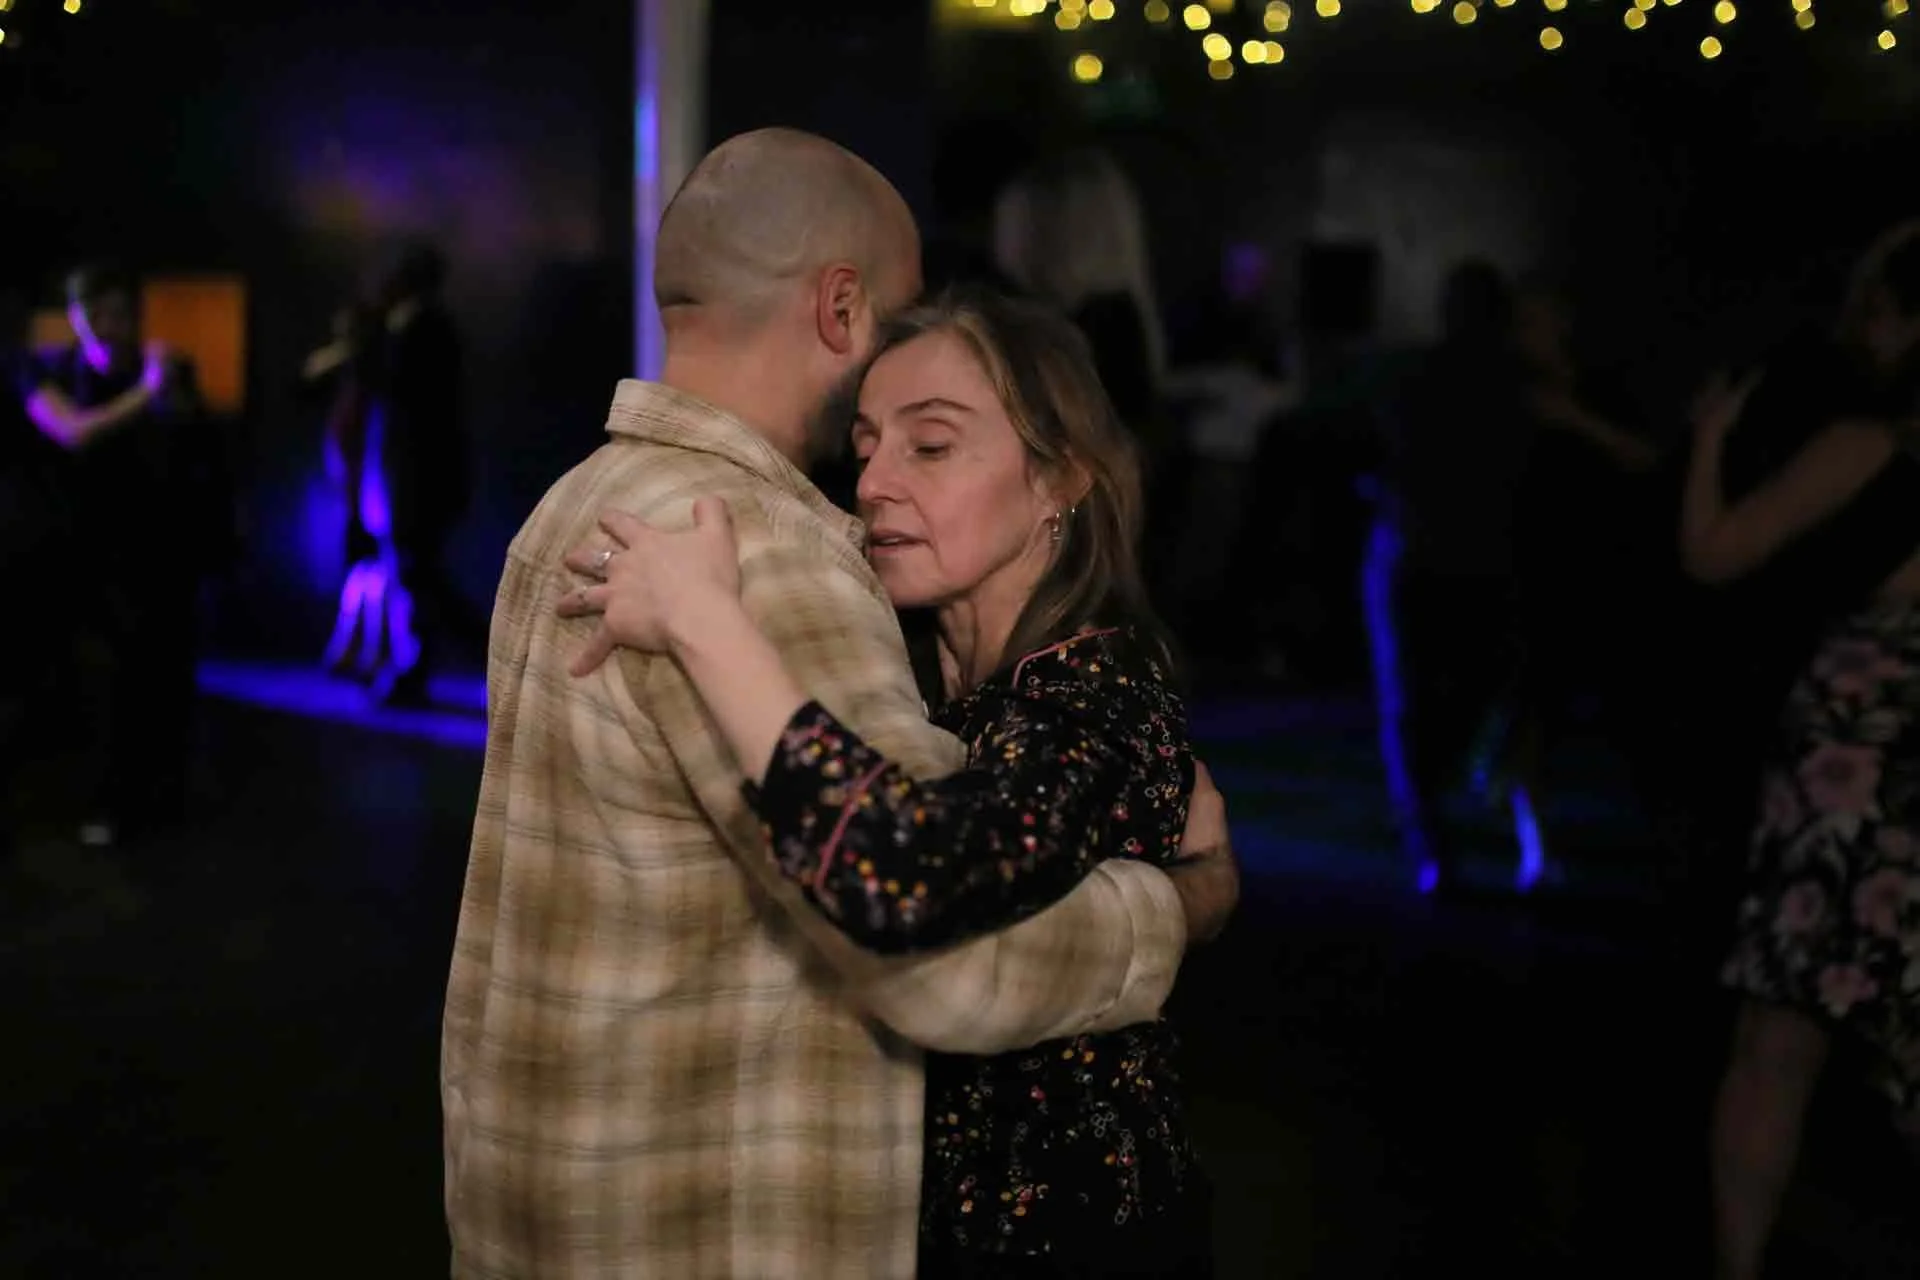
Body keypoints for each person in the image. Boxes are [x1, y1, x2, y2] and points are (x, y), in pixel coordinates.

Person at [440, 128, 1234, 1279]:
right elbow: (939, 955)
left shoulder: (577, 504)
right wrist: (1179, 906)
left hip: (558, 1204)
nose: (874, 476)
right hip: (702, 1229)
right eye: (878, 421)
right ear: (843, 305)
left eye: (934, 439)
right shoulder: (761, 550)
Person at [1700, 220, 1920, 1280]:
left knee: (1780, 1037)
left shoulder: (1871, 445)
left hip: (1857, 750)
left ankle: (1740, 1263)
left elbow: (1716, 552)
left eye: (1881, 309)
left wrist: (1709, 439)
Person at [17, 264, 206, 847]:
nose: (110, 325)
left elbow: (196, 452)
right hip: (81, 555)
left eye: (119, 312)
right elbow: (72, 432)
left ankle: (160, 797)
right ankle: (108, 804)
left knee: (161, 678)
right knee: (102, 686)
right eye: (95, 313)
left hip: (154, 553)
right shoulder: (50, 370)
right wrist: (146, 393)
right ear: (77, 318)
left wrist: (165, 392)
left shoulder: (162, 373)